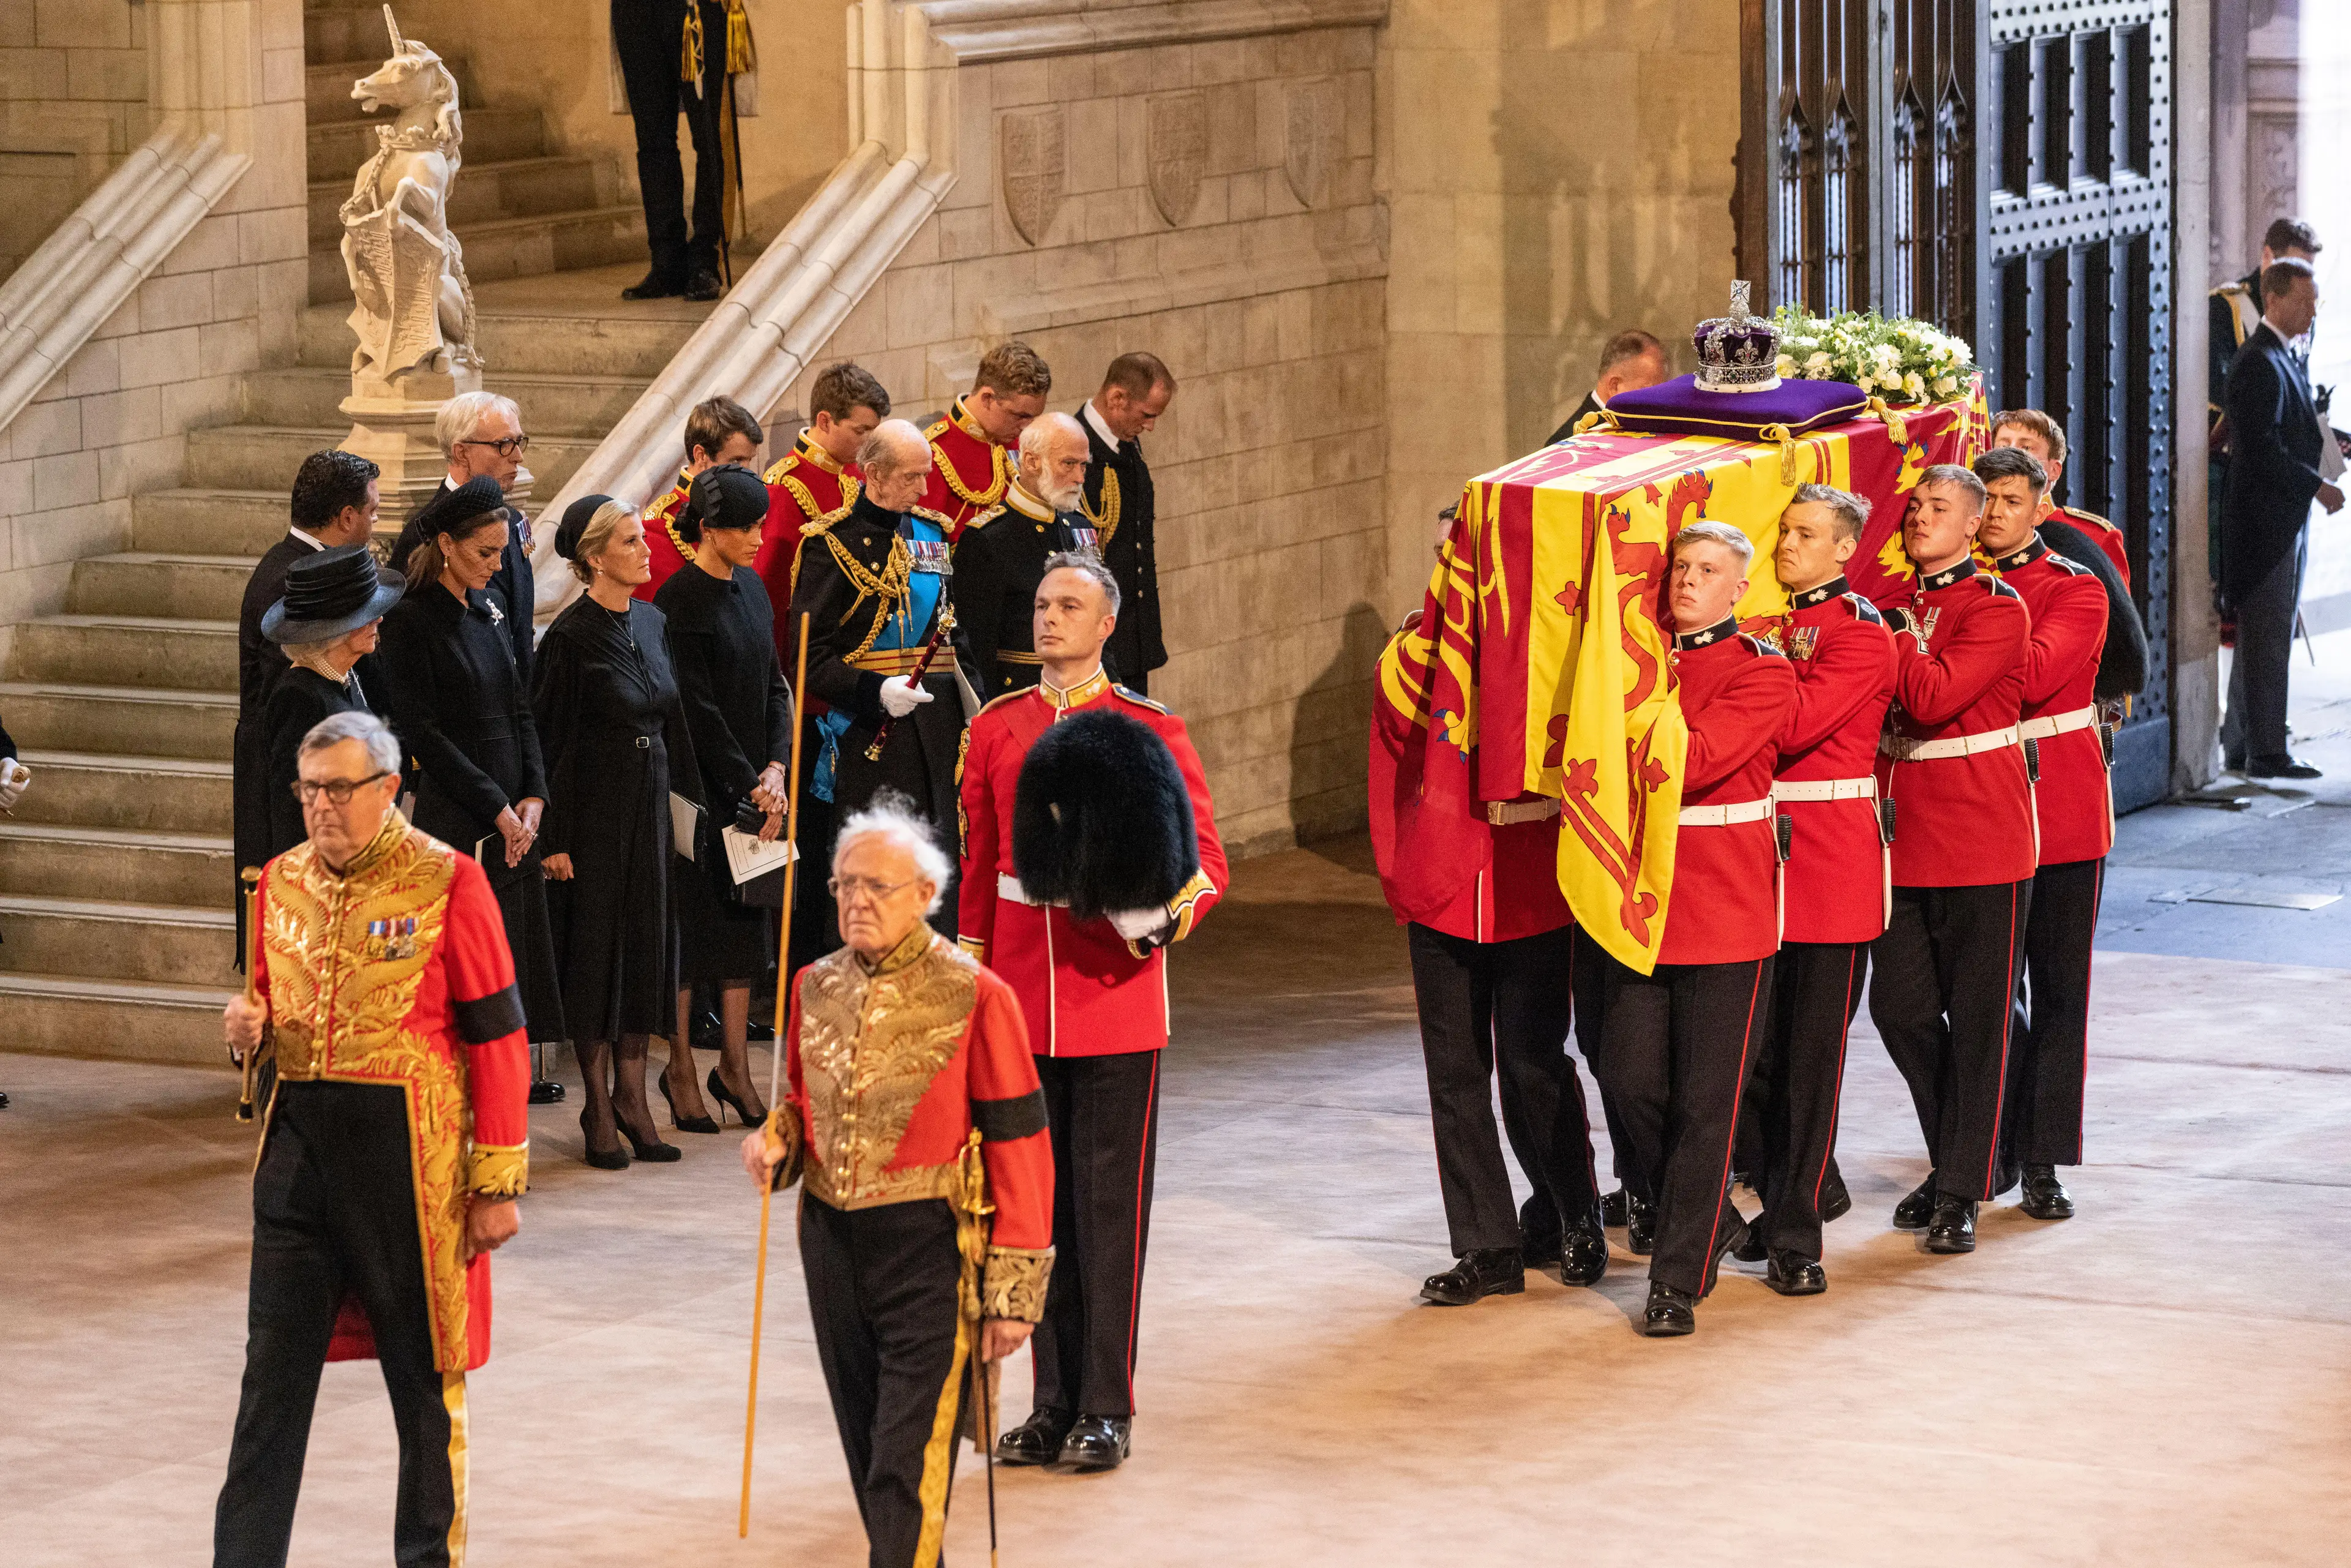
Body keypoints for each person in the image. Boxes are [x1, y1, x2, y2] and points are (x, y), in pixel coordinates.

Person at [213, 710, 528, 1568]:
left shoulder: (450, 881)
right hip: (299, 1155)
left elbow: (499, 1037)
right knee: (268, 1389)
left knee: (423, 1388)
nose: (322, 807)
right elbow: (272, 1011)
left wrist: (496, 1182)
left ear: (388, 789)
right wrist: (249, 1028)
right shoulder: (277, 882)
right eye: (310, 790)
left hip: (411, 1167)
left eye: (340, 790)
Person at [740, 799, 1052, 1568]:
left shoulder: (979, 994)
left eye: (876, 885)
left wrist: (1013, 1296)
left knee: (904, 1463)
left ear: (925, 894)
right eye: (845, 884)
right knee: (867, 1446)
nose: (856, 900)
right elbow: (804, 1103)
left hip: (931, 1248)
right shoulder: (814, 984)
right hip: (832, 1243)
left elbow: (1022, 1144)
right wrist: (776, 1137)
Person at [962, 553, 1224, 1469]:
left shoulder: (1146, 725)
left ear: (1107, 624)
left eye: (1069, 605)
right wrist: (970, 995)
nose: (1049, 618)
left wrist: (1146, 921)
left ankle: (1105, 1404)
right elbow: (980, 872)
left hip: (1113, 1003)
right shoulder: (997, 728)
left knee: (1107, 1212)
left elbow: (1206, 872)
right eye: (1040, 604)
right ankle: (1050, 1401)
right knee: (1030, 1213)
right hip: (1021, 1010)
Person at [1588, 522, 1793, 1337]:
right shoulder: (1639, 664)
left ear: (1739, 589)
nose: (1687, 581)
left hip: (1725, 906)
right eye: (1680, 568)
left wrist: (1627, 710)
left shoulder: (1762, 673)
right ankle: (1711, 1223)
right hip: (1641, 901)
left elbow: (1697, 760)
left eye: (1708, 571)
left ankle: (1676, 1277)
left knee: (1709, 1103)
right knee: (1630, 1079)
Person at [1868, 465, 2036, 1256]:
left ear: (1973, 526)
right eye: (1913, 507)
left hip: (1979, 831)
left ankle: (1961, 1188)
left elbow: (1932, 699)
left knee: (1977, 1023)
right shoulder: (1898, 607)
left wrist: (1895, 633)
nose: (1918, 518)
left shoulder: (1998, 608)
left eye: (1938, 509)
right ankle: (1963, 1159)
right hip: (1905, 835)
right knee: (1898, 1010)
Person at [1736, 486, 1892, 1297]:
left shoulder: (1863, 635)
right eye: (1784, 529)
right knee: (1749, 1050)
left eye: (1806, 534)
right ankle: (1789, 1187)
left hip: (1828, 862)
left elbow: (1793, 726)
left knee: (1808, 1061)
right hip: (1757, 858)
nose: (1787, 544)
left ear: (1844, 550)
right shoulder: (1765, 629)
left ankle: (1797, 1236)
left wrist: (1748, 687)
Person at [536, 495, 711, 1165]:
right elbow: (548, 743)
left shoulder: (653, 619)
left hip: (649, 804)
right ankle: (599, 1106)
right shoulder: (570, 638)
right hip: (593, 813)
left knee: (646, 952)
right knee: (596, 956)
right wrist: (552, 839)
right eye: (633, 542)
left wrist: (691, 808)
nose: (647, 551)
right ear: (595, 557)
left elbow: (675, 720)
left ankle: (636, 1096)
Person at [377, 476, 568, 1055]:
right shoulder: (411, 620)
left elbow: (520, 707)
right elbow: (424, 735)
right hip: (460, 815)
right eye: (486, 553)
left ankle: (505, 1083)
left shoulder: (487, 606)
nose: (497, 564)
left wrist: (534, 794)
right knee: (468, 972)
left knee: (512, 963)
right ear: (446, 544)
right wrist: (498, 808)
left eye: (502, 552)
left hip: (514, 811)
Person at [1974, 447, 2112, 1222]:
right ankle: (1984, 1144)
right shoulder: (1946, 590)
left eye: (2011, 499)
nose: (1995, 512)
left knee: (2059, 992)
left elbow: (2027, 676)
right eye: (1985, 497)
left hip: (2058, 808)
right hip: (1980, 812)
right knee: (1985, 997)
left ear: (2040, 506)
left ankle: (2042, 1158)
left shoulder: (2072, 586)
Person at [790, 419, 967, 951]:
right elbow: (807, 655)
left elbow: (954, 628)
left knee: (935, 871)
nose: (924, 490)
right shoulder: (832, 544)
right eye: (913, 478)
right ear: (874, 474)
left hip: (937, 730)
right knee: (878, 872)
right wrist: (873, 692)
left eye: (926, 476)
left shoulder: (932, 534)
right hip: (869, 735)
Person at [654, 463, 792, 1128]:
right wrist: (749, 784)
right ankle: (680, 1063)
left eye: (761, 525)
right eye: (745, 527)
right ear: (708, 530)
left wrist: (777, 767)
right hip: (704, 794)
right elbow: (697, 712)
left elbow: (775, 686)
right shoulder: (680, 602)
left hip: (757, 791)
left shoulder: (754, 591)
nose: (758, 538)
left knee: (746, 930)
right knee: (695, 931)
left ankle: (733, 1065)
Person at [233, 449, 380, 953]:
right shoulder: (292, 581)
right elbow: (291, 742)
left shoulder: (309, 572)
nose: (375, 522)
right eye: (373, 512)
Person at [2221, 257, 2342, 780]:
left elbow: (2291, 427)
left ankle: (2244, 743)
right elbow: (2259, 447)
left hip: (2279, 520)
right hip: (2263, 526)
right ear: (2274, 299)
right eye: (2306, 299)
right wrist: (2315, 485)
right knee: (2268, 638)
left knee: (2264, 637)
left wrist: (2336, 445)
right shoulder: (2257, 360)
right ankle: (2267, 752)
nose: (2313, 311)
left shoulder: (2283, 356)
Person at [257, 546, 401, 860]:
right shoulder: (299, 699)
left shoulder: (344, 676)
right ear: (337, 630)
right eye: (366, 613)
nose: (379, 618)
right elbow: (295, 814)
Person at [388, 392, 538, 686]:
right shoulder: (424, 535)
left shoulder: (513, 519)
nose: (518, 456)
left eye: (519, 442)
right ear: (461, 453)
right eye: (503, 445)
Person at [953, 411, 1101, 700]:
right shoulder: (988, 538)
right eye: (1069, 464)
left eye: (1084, 465)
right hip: (1022, 698)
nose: (1079, 477)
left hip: (1084, 695)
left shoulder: (1080, 527)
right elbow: (975, 648)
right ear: (1032, 461)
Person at [760, 362, 890, 655]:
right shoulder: (784, 486)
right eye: (861, 431)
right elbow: (772, 590)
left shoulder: (856, 474)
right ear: (825, 421)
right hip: (809, 647)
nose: (870, 442)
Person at [612, 0, 727, 301]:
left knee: (706, 137)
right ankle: (667, 263)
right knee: (652, 141)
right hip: (635, 9)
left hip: (691, 7)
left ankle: (704, 260)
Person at [1076, 353, 1174, 694]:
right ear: (1118, 398)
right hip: (1096, 646)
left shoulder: (1126, 447)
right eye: (1147, 415)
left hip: (1132, 640)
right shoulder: (1076, 451)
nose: (1150, 426)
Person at [637, 395, 767, 602]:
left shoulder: (747, 509)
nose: (746, 471)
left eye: (748, 460)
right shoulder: (658, 526)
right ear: (700, 455)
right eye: (735, 460)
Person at [921, 341, 1051, 539]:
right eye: (1020, 416)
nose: (1028, 426)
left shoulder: (1019, 441)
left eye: (1034, 417)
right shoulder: (933, 452)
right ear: (987, 399)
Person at [1988, 408, 2130, 585]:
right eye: (2003, 446)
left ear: (2054, 470)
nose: (2011, 454)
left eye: (2026, 448)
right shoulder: (1974, 527)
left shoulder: (2096, 537)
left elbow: (2116, 611)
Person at [1545, 328, 1669, 445]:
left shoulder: (1648, 427)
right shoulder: (1565, 444)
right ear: (1614, 386)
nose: (1658, 402)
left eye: (1661, 392)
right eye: (1649, 391)